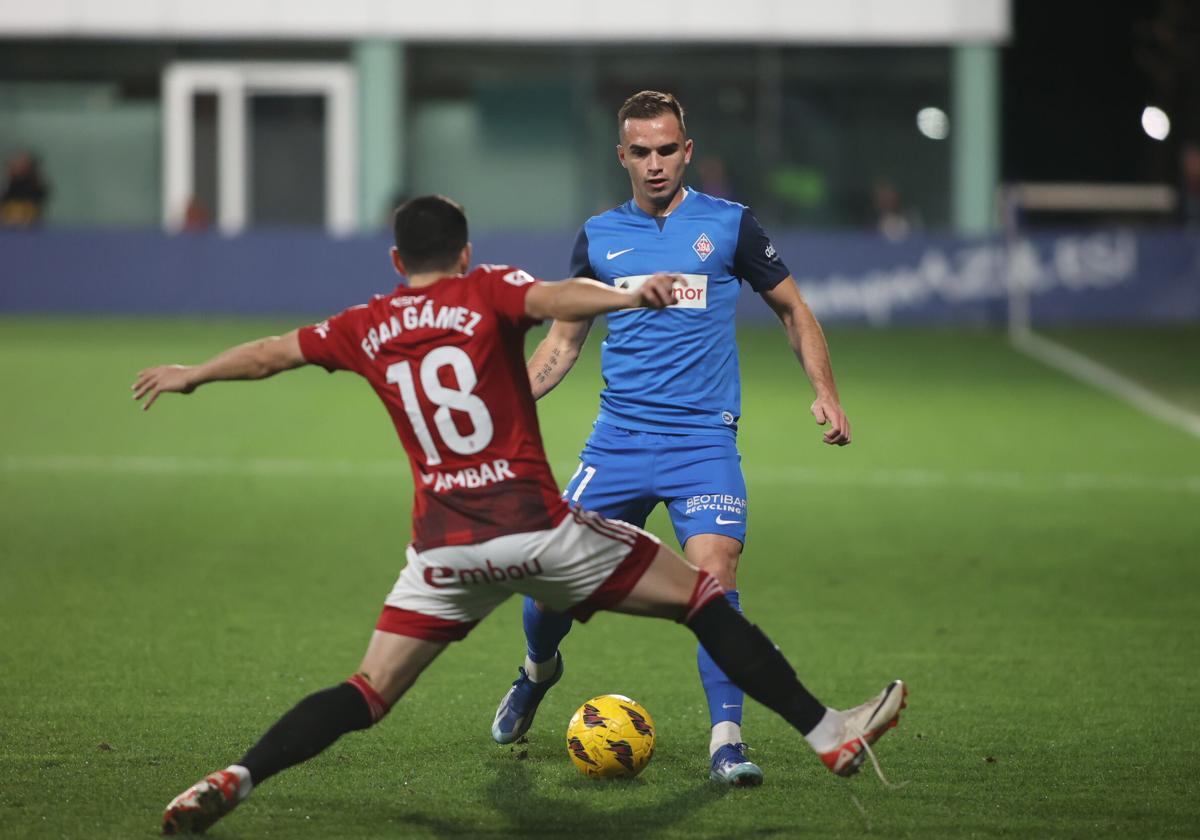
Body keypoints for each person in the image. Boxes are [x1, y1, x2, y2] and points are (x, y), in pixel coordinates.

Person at [137, 195, 905, 835]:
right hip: (537, 532)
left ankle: (238, 776)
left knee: (367, 691)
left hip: (443, 555)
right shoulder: (487, 290)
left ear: (397, 262)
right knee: (703, 596)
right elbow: (555, 299)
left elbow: (274, 350)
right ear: (466, 253)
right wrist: (631, 293)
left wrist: (194, 375)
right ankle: (827, 733)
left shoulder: (363, 324)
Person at [492, 91, 853, 787]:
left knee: (713, 580)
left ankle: (727, 743)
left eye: (667, 150)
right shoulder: (599, 235)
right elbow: (563, 344)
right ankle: (538, 672)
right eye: (641, 152)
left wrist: (826, 391)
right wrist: (506, 403)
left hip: (702, 443)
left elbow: (792, 309)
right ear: (622, 155)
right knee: (547, 584)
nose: (655, 164)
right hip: (617, 443)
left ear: (686, 152)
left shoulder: (731, 226)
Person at [0, 151, 50, 226]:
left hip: (29, 215)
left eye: (23, 164)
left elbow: (41, 196)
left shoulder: (35, 183)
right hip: (10, 214)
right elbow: (5, 199)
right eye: (18, 164)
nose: (20, 167)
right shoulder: (9, 183)